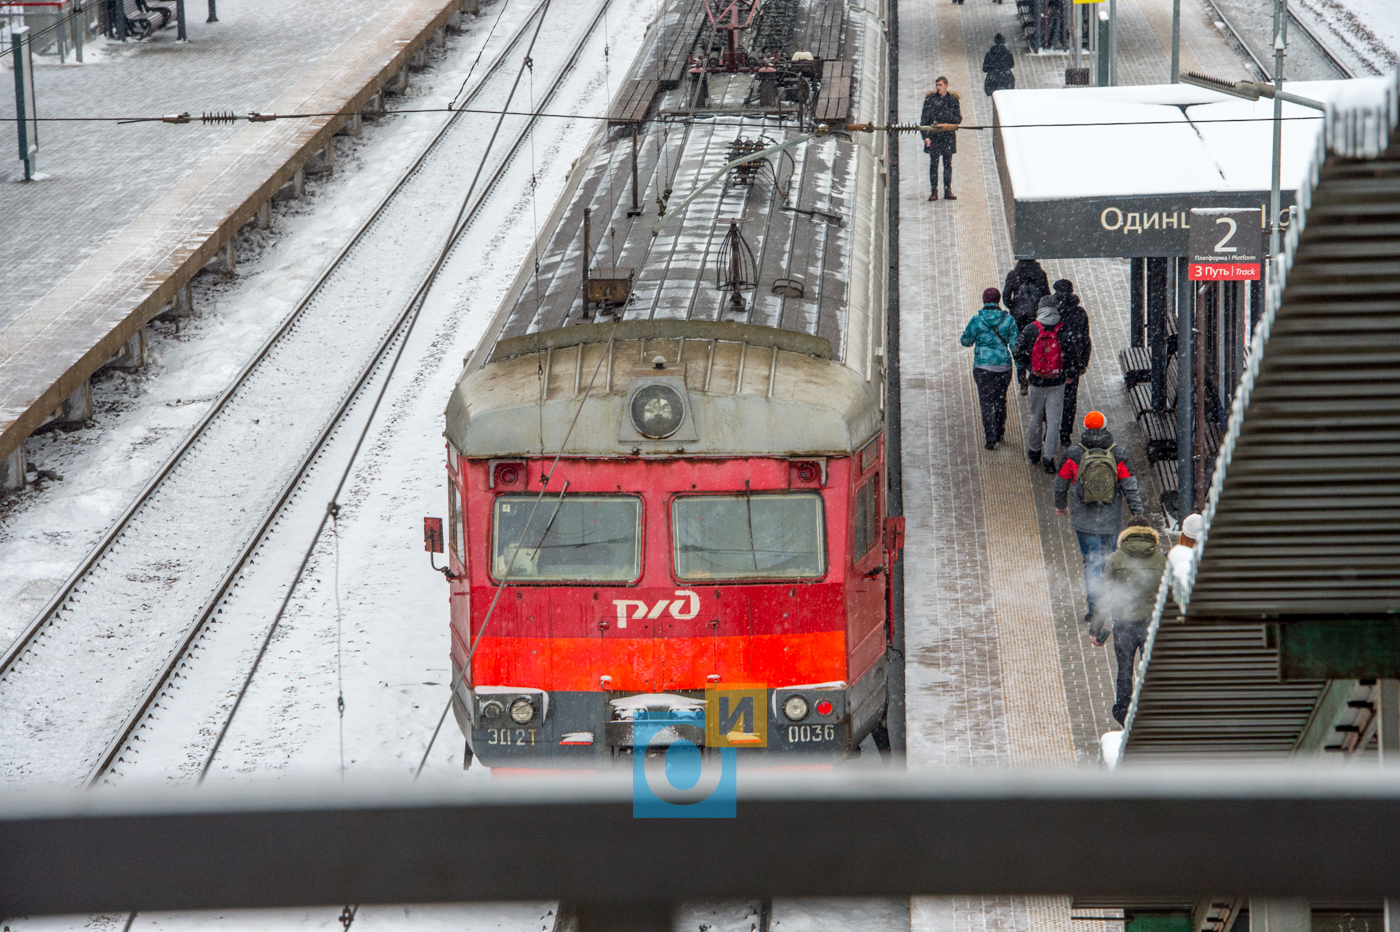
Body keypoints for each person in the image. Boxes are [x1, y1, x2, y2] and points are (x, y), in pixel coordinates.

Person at [1054, 410, 1145, 620]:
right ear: (1105, 427)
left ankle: (1094, 608)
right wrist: (1138, 514)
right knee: (1111, 562)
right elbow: (1130, 487)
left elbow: (1060, 484)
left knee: (1091, 562)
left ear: (1084, 429)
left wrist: (1061, 505)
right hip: (1111, 520)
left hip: (1084, 522)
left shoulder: (1073, 454)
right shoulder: (1118, 454)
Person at [1089, 516, 1168, 724]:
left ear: (1127, 534)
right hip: (1152, 624)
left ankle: (1123, 712)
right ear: (1150, 534)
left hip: (1124, 624)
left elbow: (1105, 595)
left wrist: (1096, 630)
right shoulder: (1162, 560)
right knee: (1150, 670)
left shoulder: (1116, 559)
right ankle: (1150, 712)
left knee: (1124, 671)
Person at [1012, 296, 1068, 473]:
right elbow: (1073, 353)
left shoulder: (1031, 329)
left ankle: (1034, 451)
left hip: (1037, 381)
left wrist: (1030, 367)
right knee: (1053, 421)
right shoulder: (1063, 328)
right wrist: (1066, 372)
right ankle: (1049, 459)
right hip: (1057, 382)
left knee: (1036, 416)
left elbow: (1017, 351)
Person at [960, 286, 1021, 450]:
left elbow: (966, 341)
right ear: (998, 300)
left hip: (982, 366)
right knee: (1001, 399)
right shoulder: (1009, 320)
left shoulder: (977, 320)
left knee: (986, 402)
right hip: (1003, 366)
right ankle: (1000, 431)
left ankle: (990, 438)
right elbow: (1015, 346)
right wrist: (1021, 366)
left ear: (984, 301)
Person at [1053, 281, 1092, 447]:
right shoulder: (1080, 312)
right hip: (1073, 363)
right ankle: (1065, 433)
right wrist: (1083, 363)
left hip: (1055, 363)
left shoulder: (1053, 313)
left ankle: (1051, 431)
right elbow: (1085, 340)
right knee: (1070, 399)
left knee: (1053, 397)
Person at [1002, 258, 1049, 394]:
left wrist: (1014, 307)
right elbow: (1046, 295)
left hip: (1018, 317)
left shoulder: (1013, 274)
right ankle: (1035, 372)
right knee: (1036, 344)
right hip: (1036, 317)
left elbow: (1006, 297)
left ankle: (1022, 380)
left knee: (1020, 345)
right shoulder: (1040, 274)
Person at [921, 77, 962, 200]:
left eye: (940, 85)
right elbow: (924, 120)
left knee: (947, 164)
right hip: (934, 136)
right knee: (934, 164)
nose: (938, 88)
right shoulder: (930, 100)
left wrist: (948, 114)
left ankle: (947, 189)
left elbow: (958, 119)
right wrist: (926, 136)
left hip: (947, 136)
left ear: (946, 85)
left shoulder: (953, 100)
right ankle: (934, 190)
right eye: (937, 85)